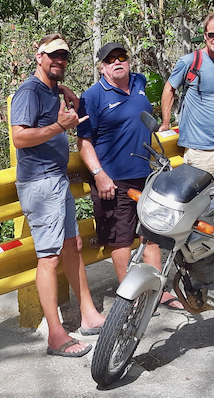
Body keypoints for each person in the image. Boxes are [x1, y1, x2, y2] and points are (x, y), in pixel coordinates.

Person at [9, 33, 106, 358]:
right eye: (53, 55)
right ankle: (55, 334)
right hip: (40, 184)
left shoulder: (52, 91)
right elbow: (19, 138)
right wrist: (58, 128)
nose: (59, 61)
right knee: (49, 258)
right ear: (39, 57)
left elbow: (69, 112)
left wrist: (66, 94)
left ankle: (89, 314)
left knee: (72, 246)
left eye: (64, 56)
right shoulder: (29, 91)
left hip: (57, 181)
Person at [77, 42, 183, 309]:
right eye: (110, 59)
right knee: (121, 240)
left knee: (152, 234)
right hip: (113, 180)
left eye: (121, 57)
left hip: (146, 175)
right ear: (101, 67)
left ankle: (158, 292)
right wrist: (99, 175)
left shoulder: (138, 82)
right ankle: (131, 299)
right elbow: (84, 142)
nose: (117, 62)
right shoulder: (92, 97)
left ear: (129, 61)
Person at [160, 12, 214, 187]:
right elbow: (169, 89)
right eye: (211, 35)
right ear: (205, 37)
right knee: (201, 208)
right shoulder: (190, 62)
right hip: (200, 152)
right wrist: (166, 123)